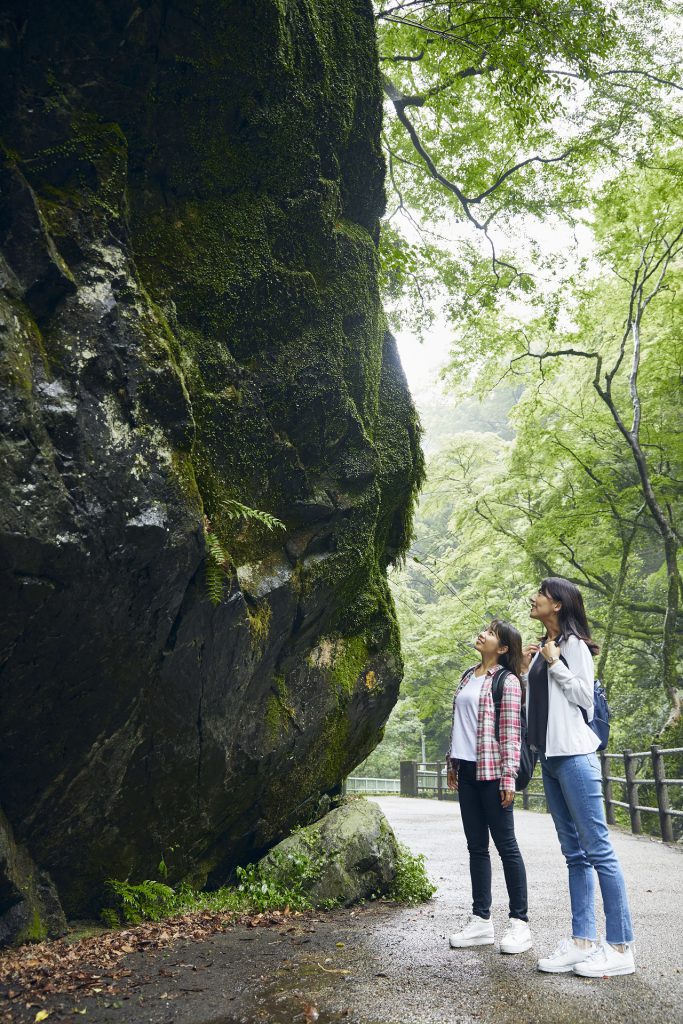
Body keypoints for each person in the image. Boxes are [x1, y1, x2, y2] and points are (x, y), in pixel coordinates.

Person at [522, 577, 635, 977]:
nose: (534, 598)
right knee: (574, 854)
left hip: (575, 756)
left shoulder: (573, 647)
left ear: (558, 604)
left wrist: (555, 662)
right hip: (549, 759)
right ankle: (582, 940)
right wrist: (528, 668)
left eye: (540, 593)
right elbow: (539, 706)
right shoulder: (541, 650)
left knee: (599, 850)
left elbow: (585, 698)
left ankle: (621, 947)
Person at [447, 620, 532, 954]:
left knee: (506, 846)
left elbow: (511, 733)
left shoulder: (507, 681)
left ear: (503, 648)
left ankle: (519, 924)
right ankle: (481, 921)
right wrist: (452, 762)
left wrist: (508, 776)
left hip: (494, 772)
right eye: (482, 630)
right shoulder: (468, 675)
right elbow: (460, 724)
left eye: (491, 633)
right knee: (476, 847)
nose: (482, 633)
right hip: (466, 770)